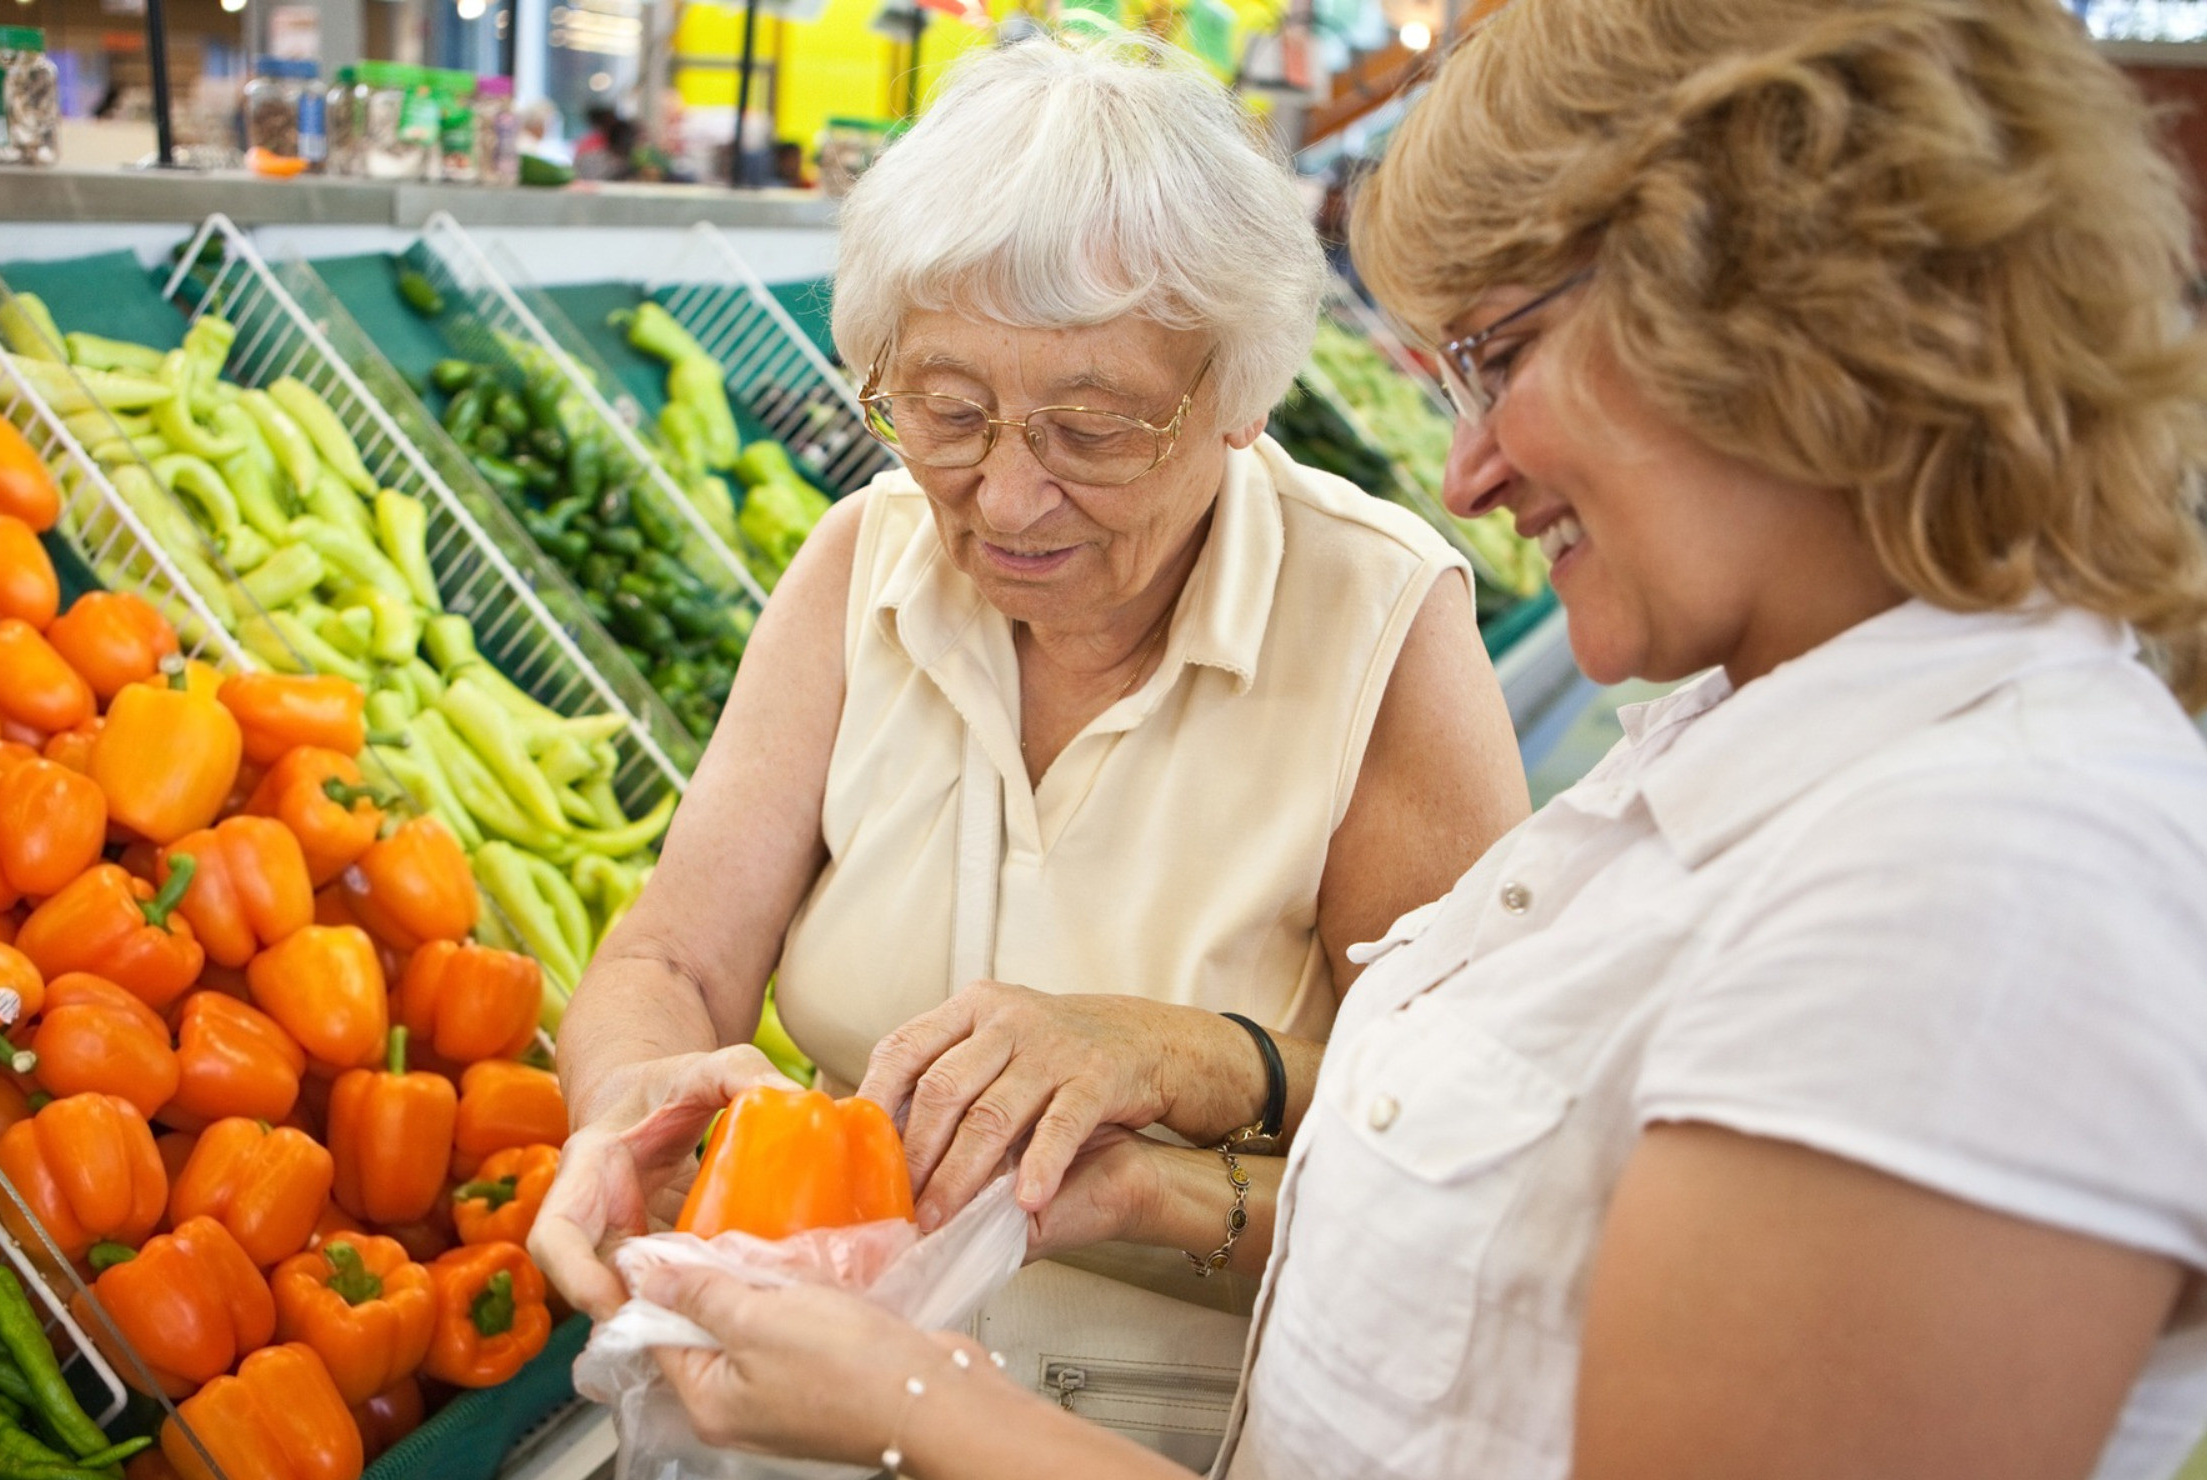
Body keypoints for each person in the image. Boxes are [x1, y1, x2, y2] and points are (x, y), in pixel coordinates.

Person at [603, 2, 2207, 1477]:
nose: (1465, 472)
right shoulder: (1746, 764)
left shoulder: (1989, 880)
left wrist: (918, 1401)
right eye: (947, 413)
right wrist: (1139, 1187)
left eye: (1498, 356)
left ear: (1783, 324)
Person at [528, 30, 1528, 1445]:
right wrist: (628, 1096)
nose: (1003, 497)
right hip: (790, 1413)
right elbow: (673, 957)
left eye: (1094, 428)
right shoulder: (858, 564)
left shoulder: (1375, 617)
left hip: (1175, 1432)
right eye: (943, 412)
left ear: (1237, 399)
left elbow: (1458, 1146)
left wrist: (1178, 1064)